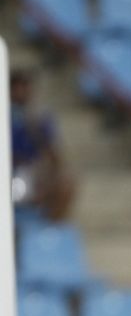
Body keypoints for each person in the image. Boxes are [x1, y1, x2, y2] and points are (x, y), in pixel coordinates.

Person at [11, 69, 75, 220]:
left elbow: (53, 152)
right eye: (16, 87)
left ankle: (46, 231)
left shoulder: (40, 117)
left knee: (66, 183)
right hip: (10, 171)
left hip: (31, 171)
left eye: (25, 86)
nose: (21, 91)